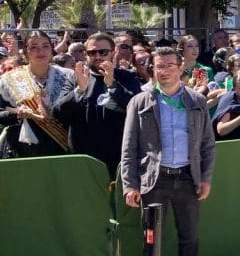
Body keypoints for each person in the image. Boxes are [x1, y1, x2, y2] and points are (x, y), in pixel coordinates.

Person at [121, 46, 219, 256]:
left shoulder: (196, 100)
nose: (163, 72)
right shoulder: (141, 102)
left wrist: (206, 178)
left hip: (188, 179)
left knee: (190, 237)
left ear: (180, 69)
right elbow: (129, 148)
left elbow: (208, 145)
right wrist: (130, 184)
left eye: (169, 66)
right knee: (152, 241)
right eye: (158, 66)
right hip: (154, 180)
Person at [53, 32, 143, 177]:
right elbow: (58, 113)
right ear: (85, 54)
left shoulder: (127, 77)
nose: (98, 56)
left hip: (119, 157)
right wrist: (79, 90)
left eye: (103, 52)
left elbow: (137, 108)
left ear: (113, 53)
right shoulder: (76, 78)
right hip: (83, 160)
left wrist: (113, 86)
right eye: (92, 52)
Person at [0, 31, 76, 159]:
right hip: (22, 148)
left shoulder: (69, 76)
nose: (40, 51)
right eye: (34, 47)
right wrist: (17, 113)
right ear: (25, 52)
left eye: (45, 46)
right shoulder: (9, 79)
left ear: (51, 50)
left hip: (61, 146)